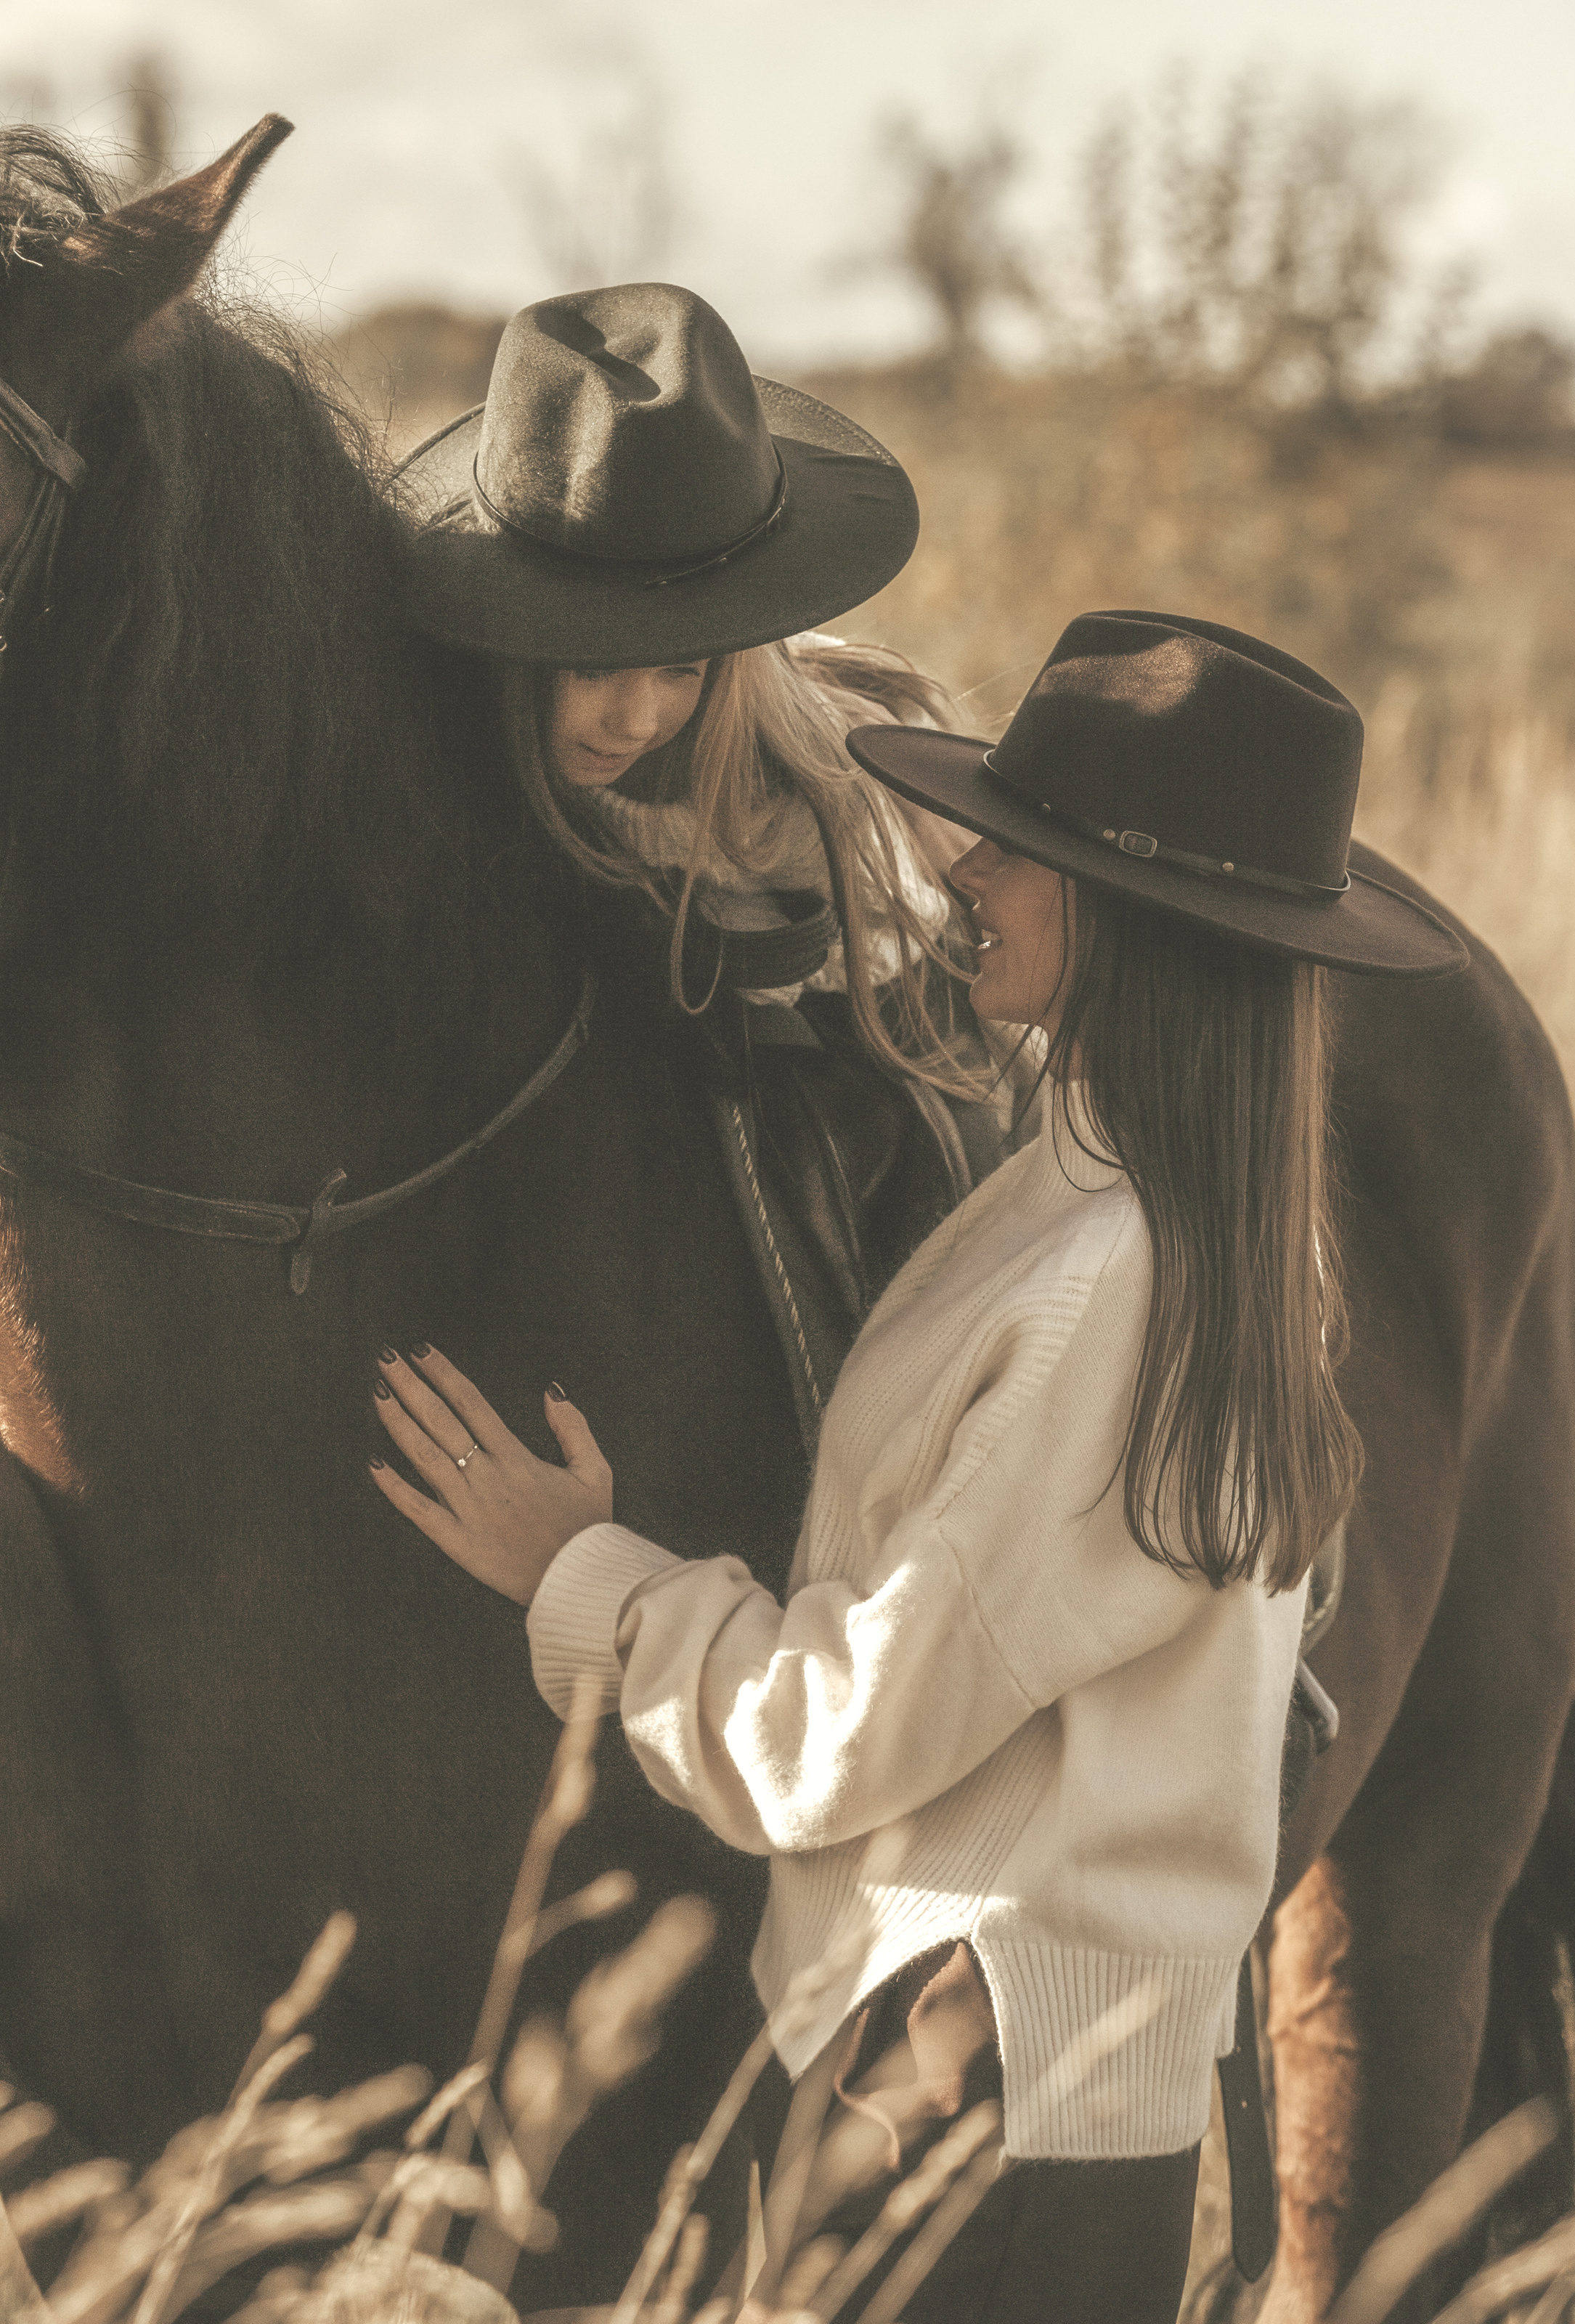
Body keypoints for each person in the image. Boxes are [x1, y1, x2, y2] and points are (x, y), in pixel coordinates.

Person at [367, 609, 1466, 2321]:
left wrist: (581, 1575)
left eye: (1021, 850)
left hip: (961, 2087)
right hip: (1019, 2084)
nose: (962, 865)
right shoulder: (1157, 1220)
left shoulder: (1114, 1276)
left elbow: (848, 1736)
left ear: (1131, 920)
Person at [394, 283, 1012, 1450]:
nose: (635, 715)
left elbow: (917, 920)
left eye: (682, 667)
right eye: (588, 663)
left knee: (914, 1131)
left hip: (810, 993)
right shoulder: (427, 728)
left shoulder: (799, 775)